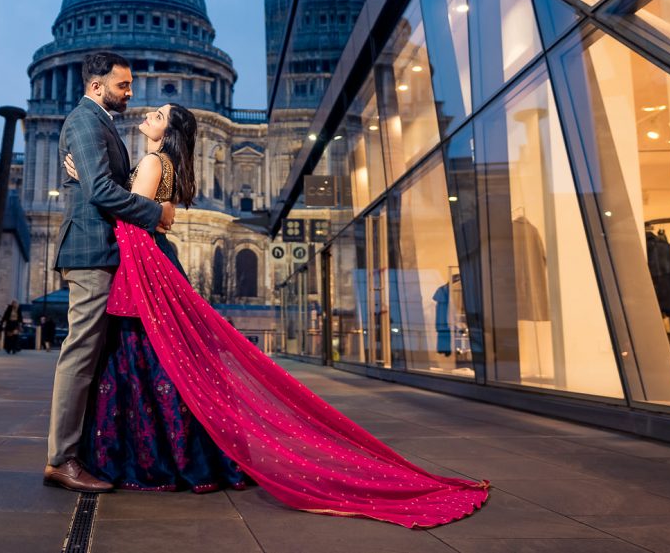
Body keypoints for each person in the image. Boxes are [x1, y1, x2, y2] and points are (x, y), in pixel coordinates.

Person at [63, 102, 490, 528]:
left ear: (168, 129)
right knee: (169, 367)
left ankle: (160, 458)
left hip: (144, 273)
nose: (148, 111)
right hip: (152, 267)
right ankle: (188, 456)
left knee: (148, 366)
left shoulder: (155, 161)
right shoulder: (162, 161)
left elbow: (133, 214)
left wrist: (90, 183)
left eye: (158, 113)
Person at [43, 52, 175, 494]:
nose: (131, 92)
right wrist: (156, 212)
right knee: (81, 354)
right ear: (97, 86)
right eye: (123, 85)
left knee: (97, 355)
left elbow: (99, 185)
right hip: (91, 250)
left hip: (104, 249)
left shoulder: (99, 123)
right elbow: (100, 190)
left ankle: (87, 451)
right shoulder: (84, 121)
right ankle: (62, 459)